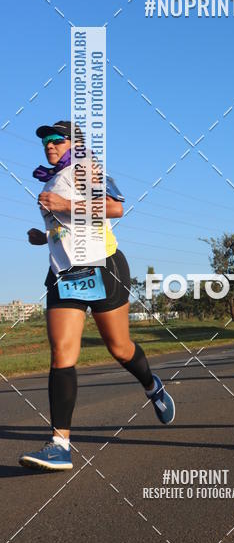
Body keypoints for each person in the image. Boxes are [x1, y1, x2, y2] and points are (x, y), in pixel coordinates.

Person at [19, 121, 175, 472]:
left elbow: (116, 208)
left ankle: (151, 385)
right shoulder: (48, 179)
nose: (49, 145)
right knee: (62, 352)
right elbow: (67, 227)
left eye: (57, 139)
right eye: (45, 140)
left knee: (119, 347)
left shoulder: (87, 167)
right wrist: (42, 237)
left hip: (102, 267)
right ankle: (60, 444)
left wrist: (62, 204)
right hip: (63, 273)